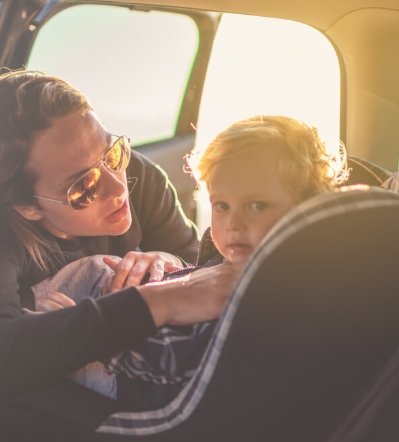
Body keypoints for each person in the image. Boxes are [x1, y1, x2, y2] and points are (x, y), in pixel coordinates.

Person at [0, 70, 241, 410]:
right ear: (28, 207)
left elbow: (199, 267)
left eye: (112, 152)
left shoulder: (140, 175)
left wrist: (165, 260)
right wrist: (153, 302)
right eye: (83, 187)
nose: (117, 187)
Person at [24, 115, 349, 408]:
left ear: (306, 208)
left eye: (255, 206)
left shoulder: (273, 294)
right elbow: (196, 279)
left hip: (122, 374)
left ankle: (31, 328)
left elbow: (177, 367)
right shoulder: (243, 261)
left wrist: (82, 340)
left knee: (47, 326)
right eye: (221, 206)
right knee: (96, 269)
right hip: (136, 342)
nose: (233, 223)